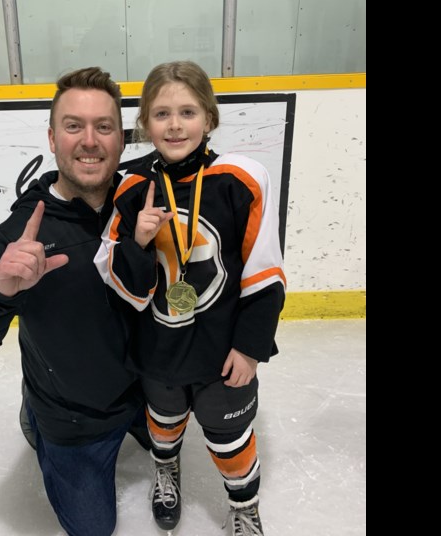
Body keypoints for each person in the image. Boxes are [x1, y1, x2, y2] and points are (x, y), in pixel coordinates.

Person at [0, 66, 147, 536]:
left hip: (141, 395)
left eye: (103, 126)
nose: (89, 140)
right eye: (74, 126)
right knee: (93, 529)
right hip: (73, 419)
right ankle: (35, 415)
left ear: (122, 139)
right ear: (52, 138)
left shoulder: (141, 205)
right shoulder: (21, 234)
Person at [94, 61, 286, 535]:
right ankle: (166, 468)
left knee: (228, 434)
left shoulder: (242, 178)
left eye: (187, 111)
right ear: (144, 123)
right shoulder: (132, 187)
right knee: (164, 420)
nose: (175, 124)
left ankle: (244, 506)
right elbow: (116, 282)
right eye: (161, 114)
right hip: (159, 344)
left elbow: (266, 270)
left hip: (224, 349)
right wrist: (136, 244)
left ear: (209, 118)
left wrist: (250, 346)